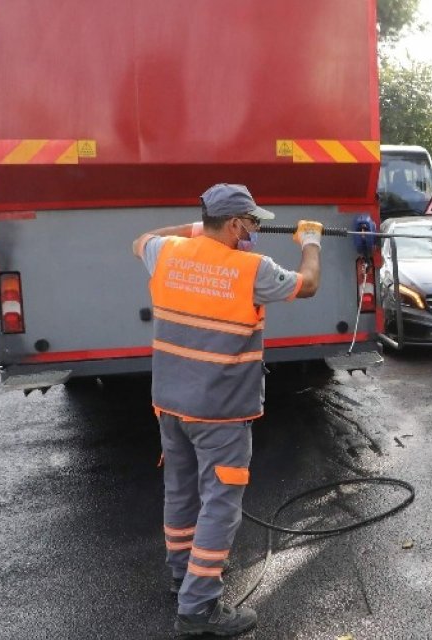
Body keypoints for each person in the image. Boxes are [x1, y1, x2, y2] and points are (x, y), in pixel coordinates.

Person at [131, 183, 322, 637]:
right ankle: (198, 608)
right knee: (220, 505)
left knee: (181, 492)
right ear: (235, 224)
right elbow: (309, 284)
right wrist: (311, 242)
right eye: (251, 223)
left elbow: (140, 239)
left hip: (170, 405)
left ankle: (183, 577)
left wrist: (198, 230)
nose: (255, 230)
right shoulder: (252, 269)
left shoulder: (167, 253)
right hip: (220, 411)